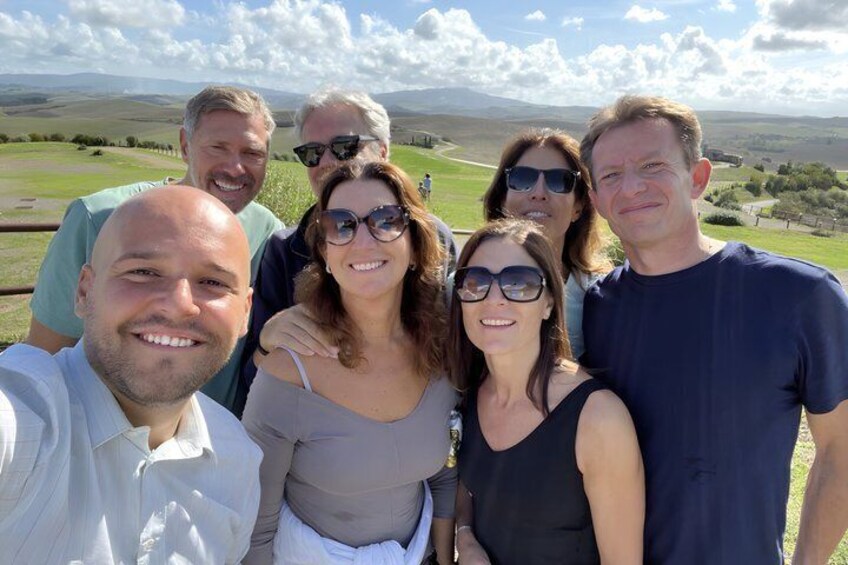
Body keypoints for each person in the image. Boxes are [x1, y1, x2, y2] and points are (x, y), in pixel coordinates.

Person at [579, 95, 848, 564]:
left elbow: (839, 451)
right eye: (612, 175)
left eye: (653, 165)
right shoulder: (597, 307)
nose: (633, 187)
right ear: (597, 199)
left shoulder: (798, 295)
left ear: (698, 178)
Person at [0, 186, 261, 563]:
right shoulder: (24, 415)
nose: (179, 305)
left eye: (213, 283)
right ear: (84, 291)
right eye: (143, 272)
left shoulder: (238, 461)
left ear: (245, 313)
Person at [242, 161, 457, 564]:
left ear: (415, 245)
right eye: (340, 225)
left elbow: (445, 473)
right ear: (325, 253)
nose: (362, 241)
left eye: (386, 220)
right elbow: (255, 524)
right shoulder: (291, 367)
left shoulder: (442, 352)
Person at [27, 85, 282, 413]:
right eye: (217, 147)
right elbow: (43, 355)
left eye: (252, 153)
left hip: (210, 438)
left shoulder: (267, 232)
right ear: (185, 145)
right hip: (92, 431)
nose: (235, 168)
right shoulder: (98, 218)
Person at [447, 219, 644, 565]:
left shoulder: (598, 420)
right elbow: (468, 489)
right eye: (476, 282)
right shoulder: (469, 393)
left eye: (519, 283)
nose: (494, 299)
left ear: (550, 303)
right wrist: (466, 538)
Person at [242, 88, 455, 387]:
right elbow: (251, 384)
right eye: (313, 152)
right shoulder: (285, 251)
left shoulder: (435, 237)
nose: (327, 162)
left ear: (382, 151)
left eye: (344, 146)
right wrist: (268, 343)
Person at [482, 129, 609, 359]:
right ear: (502, 198)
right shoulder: (463, 288)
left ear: (578, 206)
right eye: (522, 178)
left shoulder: (601, 298)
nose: (538, 193)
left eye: (559, 181)